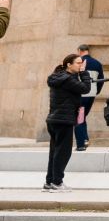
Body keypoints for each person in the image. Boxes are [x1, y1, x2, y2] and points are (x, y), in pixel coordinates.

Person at [44, 53, 91, 191]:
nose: (80, 65)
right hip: (63, 120)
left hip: (54, 120)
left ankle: (49, 182)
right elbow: (85, 88)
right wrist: (84, 73)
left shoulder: (58, 77)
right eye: (77, 63)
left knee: (55, 152)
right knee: (63, 152)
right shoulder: (67, 79)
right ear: (69, 65)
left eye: (81, 63)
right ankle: (57, 182)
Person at [75, 44, 104, 152]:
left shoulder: (78, 62)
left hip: (80, 94)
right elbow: (101, 80)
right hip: (91, 94)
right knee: (82, 116)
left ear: (79, 50)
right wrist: (96, 91)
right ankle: (85, 138)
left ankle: (81, 143)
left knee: (79, 118)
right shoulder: (97, 63)